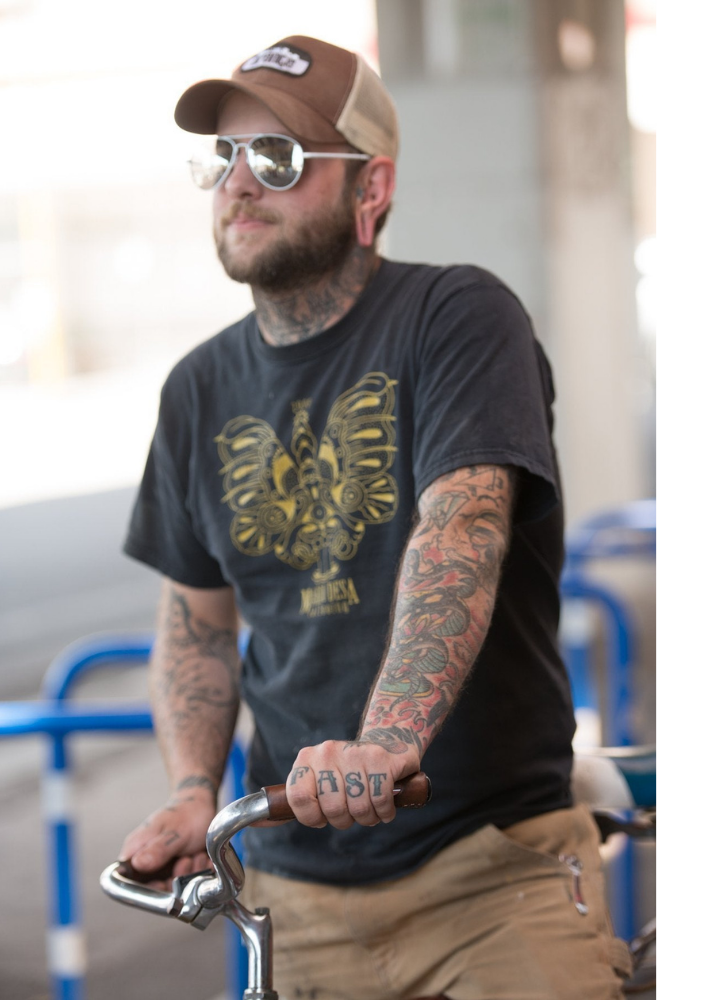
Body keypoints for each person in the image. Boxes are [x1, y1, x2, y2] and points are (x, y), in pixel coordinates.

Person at [119, 35, 631, 1000]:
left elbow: (461, 533)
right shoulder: (195, 391)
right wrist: (194, 793)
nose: (239, 184)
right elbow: (196, 626)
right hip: (294, 898)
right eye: (224, 158)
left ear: (372, 189)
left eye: (276, 158)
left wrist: (388, 742)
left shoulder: (457, 317)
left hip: (491, 874)